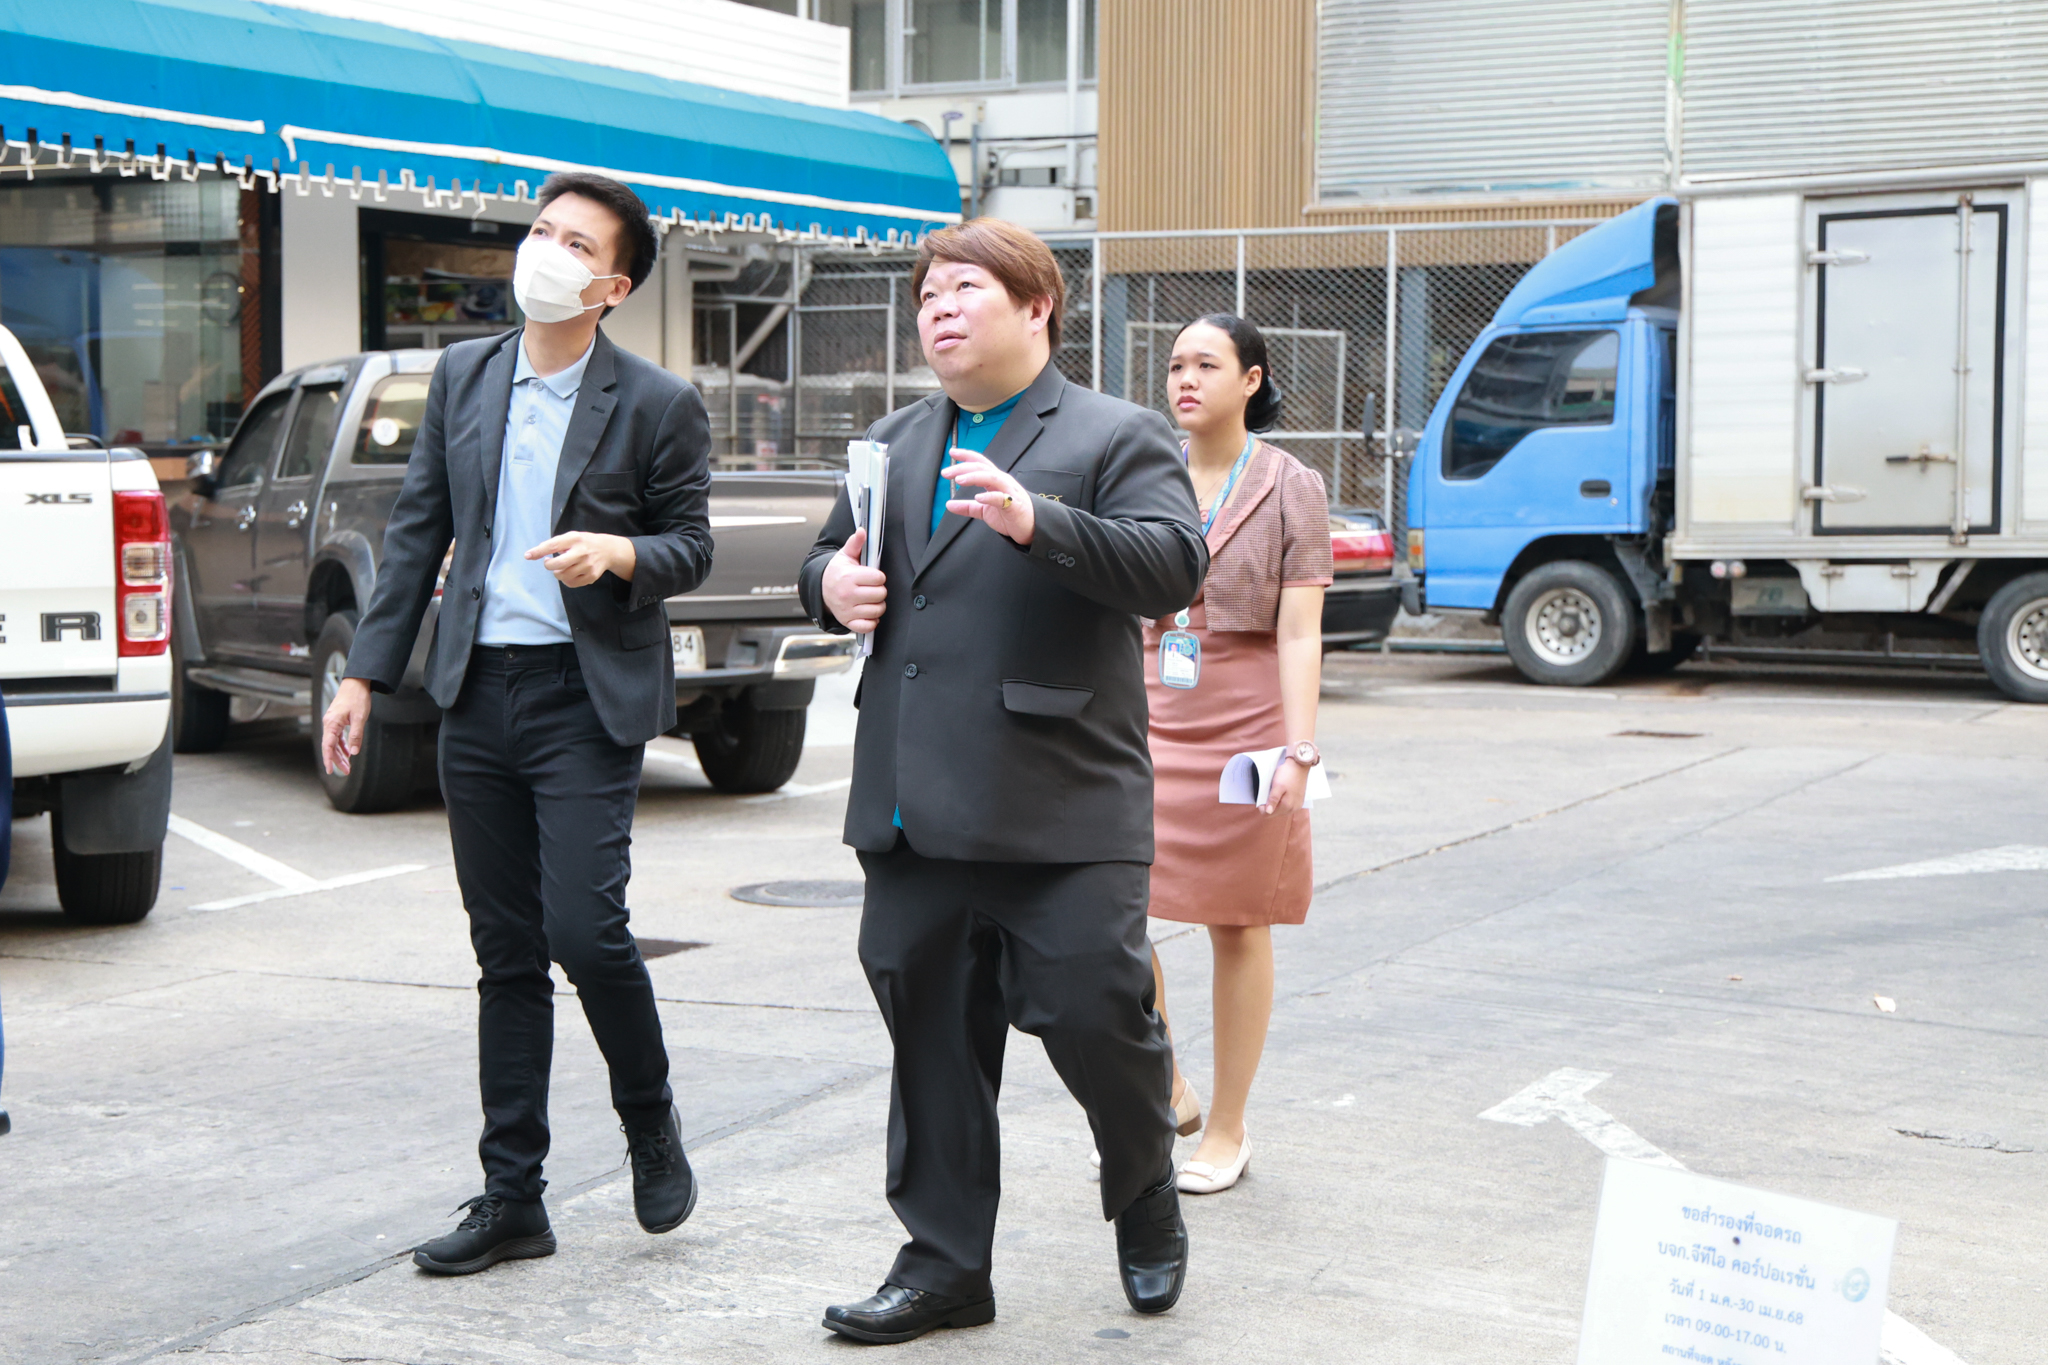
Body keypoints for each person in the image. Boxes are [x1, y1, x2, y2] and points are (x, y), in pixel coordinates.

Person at [798, 219, 1209, 1344]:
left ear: (1036, 307)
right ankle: (943, 1266)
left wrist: (1039, 522)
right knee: (930, 1035)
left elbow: (1172, 566)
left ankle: (1143, 1183)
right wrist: (827, 586)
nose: (938, 307)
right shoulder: (892, 441)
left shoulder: (1113, 433)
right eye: (927, 293)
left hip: (1057, 799)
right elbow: (829, 559)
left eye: (964, 288)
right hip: (910, 804)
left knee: (1092, 1010)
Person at [320, 172, 714, 1275]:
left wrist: (618, 552)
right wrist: (364, 675)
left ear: (613, 286)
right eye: (541, 230)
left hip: (582, 699)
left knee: (585, 932)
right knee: (504, 950)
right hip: (476, 692)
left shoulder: (656, 401)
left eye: (575, 242)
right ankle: (513, 1197)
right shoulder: (465, 372)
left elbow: (691, 545)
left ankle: (649, 1118)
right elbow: (418, 530)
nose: (545, 250)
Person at [1144, 314, 1332, 1196]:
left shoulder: (1293, 484)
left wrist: (1299, 748)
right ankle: (1165, 1086)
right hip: (1146, 707)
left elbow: (1300, 632)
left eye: (1206, 364)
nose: (1185, 379)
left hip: (1248, 720)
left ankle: (1227, 1126)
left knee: (1237, 920)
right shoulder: (1143, 470)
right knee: (1108, 911)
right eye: (1176, 364)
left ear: (1252, 379)